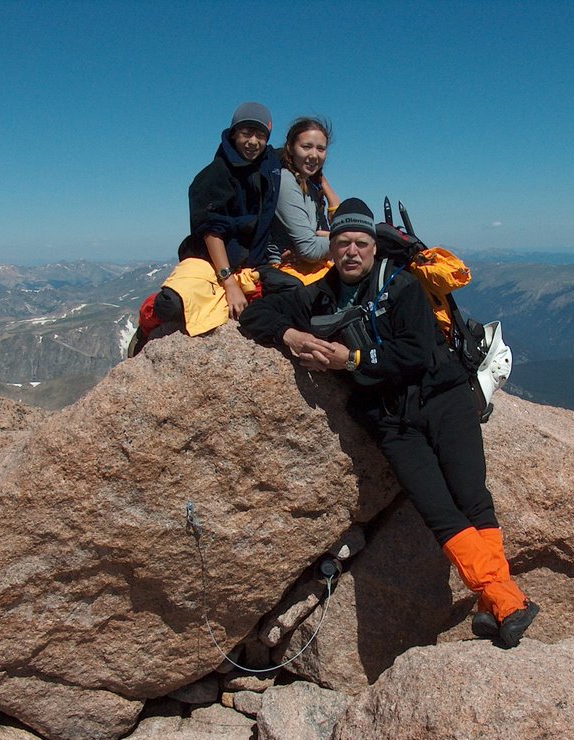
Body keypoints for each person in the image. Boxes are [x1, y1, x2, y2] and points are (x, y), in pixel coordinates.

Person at [239, 198, 538, 648]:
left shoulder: (403, 287)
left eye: (361, 243)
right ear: (332, 249)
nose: (352, 252)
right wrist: (291, 334)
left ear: (374, 248)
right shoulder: (318, 294)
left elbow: (416, 352)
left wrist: (353, 358)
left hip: (443, 400)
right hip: (390, 422)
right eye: (342, 243)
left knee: (472, 498)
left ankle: (500, 600)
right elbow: (257, 315)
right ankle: (501, 598)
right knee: (440, 512)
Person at [187, 101, 282, 320]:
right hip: (216, 266)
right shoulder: (215, 175)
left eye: (260, 135)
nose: (253, 142)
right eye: (246, 133)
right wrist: (229, 282)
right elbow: (211, 229)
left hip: (256, 264)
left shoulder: (270, 162)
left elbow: (302, 156)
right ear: (233, 134)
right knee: (177, 305)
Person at [262, 117, 341, 293]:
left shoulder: (309, 184)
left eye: (320, 149)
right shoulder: (286, 182)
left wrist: (330, 194)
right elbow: (310, 250)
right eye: (306, 147)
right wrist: (342, 239)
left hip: (307, 269)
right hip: (289, 272)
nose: (314, 155)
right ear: (290, 148)